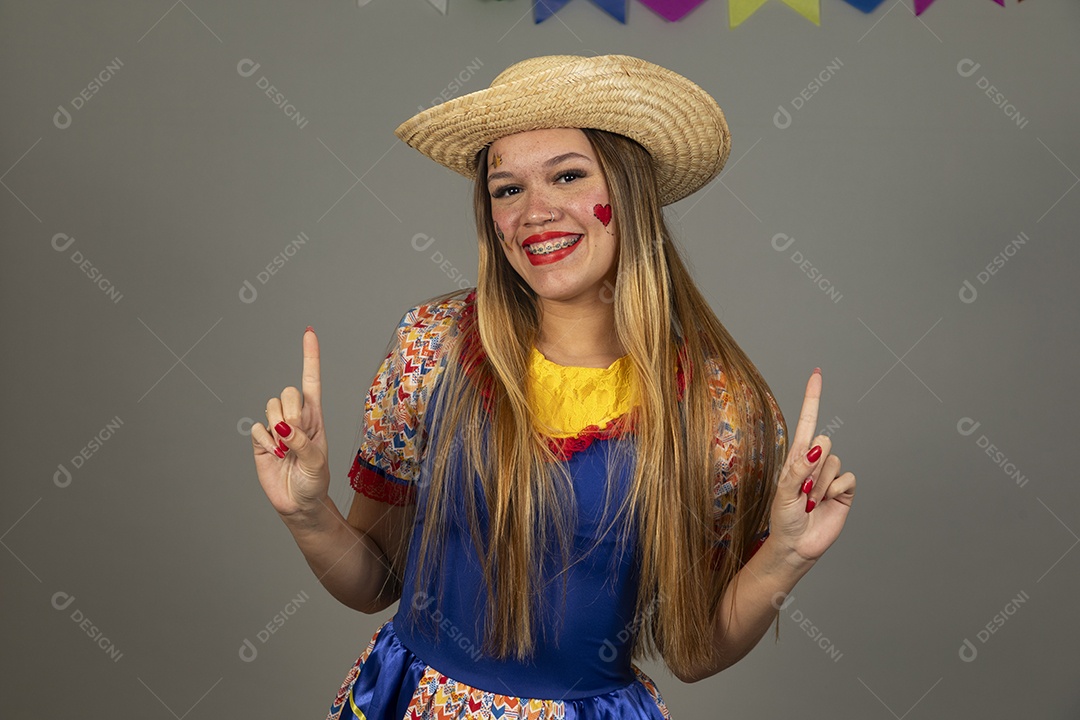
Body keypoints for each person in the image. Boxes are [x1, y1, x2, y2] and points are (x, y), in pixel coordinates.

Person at [250, 54, 856, 719]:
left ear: (630, 192)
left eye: (567, 176)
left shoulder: (721, 410)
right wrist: (306, 514)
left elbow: (695, 651)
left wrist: (787, 556)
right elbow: (375, 584)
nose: (534, 212)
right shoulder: (433, 346)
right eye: (507, 188)